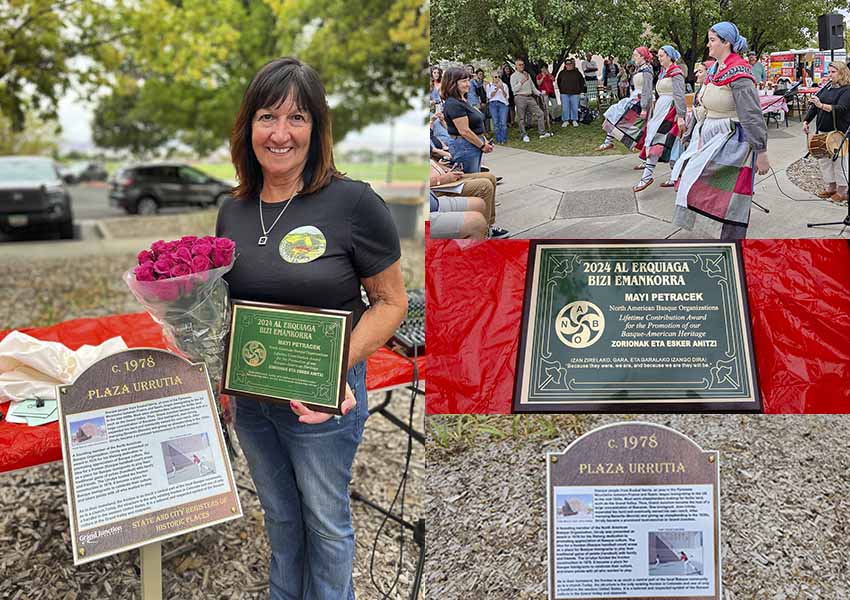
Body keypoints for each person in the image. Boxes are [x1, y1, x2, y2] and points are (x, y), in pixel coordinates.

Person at [217, 57, 407, 600]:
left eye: (296, 118)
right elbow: (232, 305)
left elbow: (391, 303)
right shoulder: (232, 210)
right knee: (280, 519)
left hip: (324, 400)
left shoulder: (353, 203)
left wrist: (328, 372)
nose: (280, 133)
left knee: (325, 523)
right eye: (267, 117)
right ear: (247, 127)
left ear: (317, 128)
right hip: (252, 401)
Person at [670, 22, 770, 240]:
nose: (708, 44)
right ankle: (713, 230)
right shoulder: (716, 68)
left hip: (732, 139)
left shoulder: (740, 73)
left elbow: (752, 114)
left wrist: (761, 151)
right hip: (711, 134)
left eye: (712, 40)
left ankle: (728, 237)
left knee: (725, 192)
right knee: (693, 178)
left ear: (727, 43)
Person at [634, 45, 687, 192]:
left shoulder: (676, 73)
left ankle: (648, 176)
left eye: (662, 55)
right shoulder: (664, 73)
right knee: (662, 142)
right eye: (659, 55)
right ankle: (673, 176)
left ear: (670, 56)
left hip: (670, 111)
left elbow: (679, 95)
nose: (659, 58)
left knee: (661, 142)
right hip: (661, 110)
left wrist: (681, 116)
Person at [803, 60, 850, 203]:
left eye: (833, 72)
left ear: (842, 73)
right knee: (824, 161)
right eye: (828, 72)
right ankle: (831, 188)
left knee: (839, 161)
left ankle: (842, 191)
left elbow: (841, 109)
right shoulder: (827, 87)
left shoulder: (847, 90)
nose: (830, 75)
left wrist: (821, 104)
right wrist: (806, 121)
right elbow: (815, 106)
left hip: (838, 132)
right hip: (823, 131)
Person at [430, 158, 508, 238]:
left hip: (435, 193)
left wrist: (447, 170)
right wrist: (439, 180)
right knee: (484, 186)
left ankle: (488, 227)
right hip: (435, 186)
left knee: (490, 177)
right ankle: (484, 232)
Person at [597, 46, 654, 151]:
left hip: (640, 101)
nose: (634, 58)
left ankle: (643, 154)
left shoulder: (647, 70)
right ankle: (608, 142)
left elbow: (647, 89)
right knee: (615, 115)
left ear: (642, 57)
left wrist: (644, 108)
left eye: (636, 55)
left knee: (628, 125)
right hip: (635, 98)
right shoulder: (640, 69)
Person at [441, 66, 494, 174]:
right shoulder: (453, 104)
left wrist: (483, 139)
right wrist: (482, 145)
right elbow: (464, 131)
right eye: (464, 81)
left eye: (468, 80)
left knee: (476, 175)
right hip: (464, 146)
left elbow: (473, 124)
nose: (468, 84)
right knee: (471, 179)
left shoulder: (462, 100)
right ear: (453, 83)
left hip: (472, 144)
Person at [510, 57, 552, 142]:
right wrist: (522, 81)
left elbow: (533, 88)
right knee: (521, 117)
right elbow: (514, 89)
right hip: (520, 97)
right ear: (516, 66)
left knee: (540, 113)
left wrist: (540, 93)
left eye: (522, 64)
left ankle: (542, 133)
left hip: (530, 97)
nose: (522, 66)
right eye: (520, 65)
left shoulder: (527, 74)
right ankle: (524, 134)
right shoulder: (513, 76)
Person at [557, 58, 586, 127]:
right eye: (567, 64)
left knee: (574, 107)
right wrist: (561, 91)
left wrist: (581, 91)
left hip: (575, 93)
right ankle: (566, 120)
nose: (569, 65)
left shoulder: (577, 73)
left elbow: (582, 82)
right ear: (565, 65)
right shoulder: (562, 73)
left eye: (570, 64)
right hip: (564, 93)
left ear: (572, 65)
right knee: (565, 107)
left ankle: (574, 120)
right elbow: (558, 82)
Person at [487, 68, 510, 143]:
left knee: (503, 122)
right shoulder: (489, 86)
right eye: (495, 77)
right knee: (496, 122)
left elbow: (506, 97)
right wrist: (497, 89)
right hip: (493, 104)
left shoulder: (504, 85)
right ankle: (498, 139)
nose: (497, 78)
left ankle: (503, 139)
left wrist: (502, 89)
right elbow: (489, 96)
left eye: (498, 77)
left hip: (503, 104)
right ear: (492, 77)